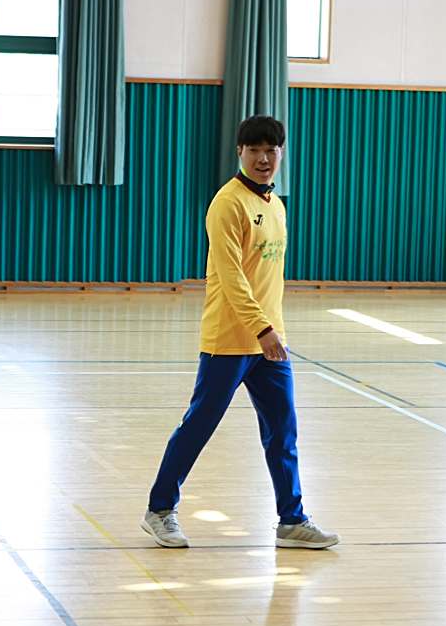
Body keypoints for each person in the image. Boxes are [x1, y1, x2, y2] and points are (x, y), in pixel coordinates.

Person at [142, 115, 340, 549]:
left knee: (282, 432)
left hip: (270, 341)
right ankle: (159, 510)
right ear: (240, 153)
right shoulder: (227, 204)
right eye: (255, 151)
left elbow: (270, 279)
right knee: (199, 426)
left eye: (271, 151)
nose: (264, 159)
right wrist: (262, 328)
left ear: (281, 153)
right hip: (230, 340)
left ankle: (292, 520)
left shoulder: (276, 205)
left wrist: (274, 332)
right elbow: (230, 279)